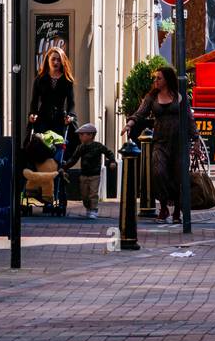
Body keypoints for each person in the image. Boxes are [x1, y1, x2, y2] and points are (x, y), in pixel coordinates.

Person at [125, 64, 198, 224]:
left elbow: (189, 118)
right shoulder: (151, 96)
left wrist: (196, 139)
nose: (155, 80)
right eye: (155, 78)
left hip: (179, 143)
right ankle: (164, 206)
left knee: (179, 176)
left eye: (159, 78)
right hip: (160, 142)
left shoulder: (180, 96)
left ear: (167, 79)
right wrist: (130, 123)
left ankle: (178, 210)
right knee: (158, 172)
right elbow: (140, 112)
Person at [63, 122, 117, 219]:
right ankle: (88, 207)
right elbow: (73, 159)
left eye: (82, 134)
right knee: (84, 195)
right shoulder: (80, 147)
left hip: (95, 175)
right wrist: (64, 168)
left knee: (93, 193)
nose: (80, 137)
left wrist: (112, 161)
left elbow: (109, 153)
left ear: (90, 135)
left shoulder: (98, 146)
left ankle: (93, 209)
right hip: (83, 174)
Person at [29, 47, 76, 137]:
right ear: (48, 60)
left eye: (59, 60)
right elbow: (34, 100)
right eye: (53, 59)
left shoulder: (67, 80)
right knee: (41, 144)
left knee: (62, 143)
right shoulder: (40, 79)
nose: (55, 62)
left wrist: (70, 115)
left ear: (62, 62)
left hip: (60, 118)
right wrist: (32, 113)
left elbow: (71, 101)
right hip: (43, 118)